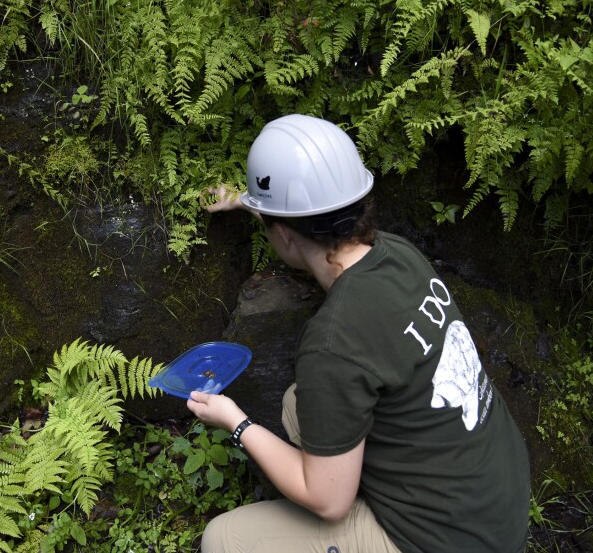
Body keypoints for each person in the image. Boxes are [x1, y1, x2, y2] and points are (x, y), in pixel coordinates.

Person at [187, 114, 531, 552]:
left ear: (284, 235)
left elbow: (327, 503)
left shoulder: (334, 341)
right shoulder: (398, 255)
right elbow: (307, 216)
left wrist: (234, 420)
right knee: (300, 404)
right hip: (494, 500)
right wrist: (246, 201)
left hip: (446, 542)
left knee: (224, 539)